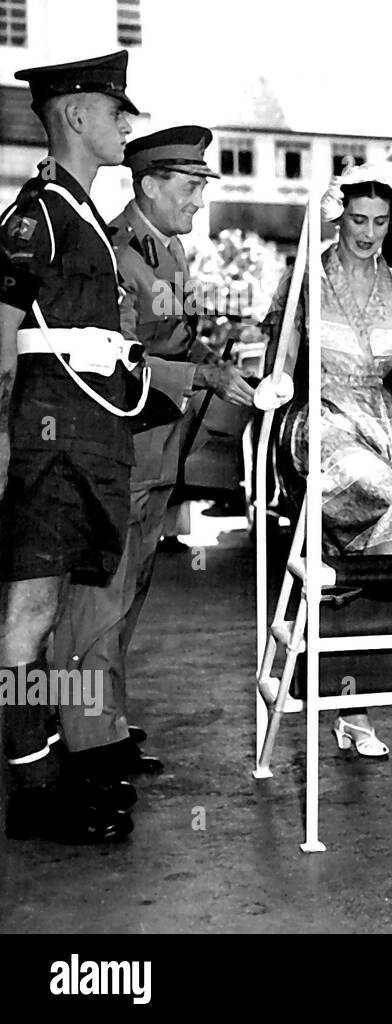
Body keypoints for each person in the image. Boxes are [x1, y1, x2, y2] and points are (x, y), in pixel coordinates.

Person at [47, 126, 255, 785]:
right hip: (121, 444)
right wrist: (202, 379)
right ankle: (86, 744)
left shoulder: (168, 249)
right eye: (190, 188)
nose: (199, 203)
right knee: (98, 593)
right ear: (149, 185)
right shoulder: (117, 253)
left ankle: (106, 719)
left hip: (159, 448)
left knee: (131, 588)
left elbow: (181, 340)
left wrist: (213, 370)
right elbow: (116, 360)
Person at [261, 163, 392, 758]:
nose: (368, 232)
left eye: (379, 221)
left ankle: (356, 699)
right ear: (338, 216)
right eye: (356, 220)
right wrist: (273, 379)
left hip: (381, 429)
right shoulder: (309, 274)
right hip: (318, 425)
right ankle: (344, 684)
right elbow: (285, 349)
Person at [0, 51, 141, 843]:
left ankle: (46, 771)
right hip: (47, 446)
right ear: (77, 118)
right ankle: (30, 789)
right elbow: (1, 334)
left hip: (81, 442)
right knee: (25, 617)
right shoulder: (39, 215)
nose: (125, 126)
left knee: (46, 614)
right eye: (115, 112)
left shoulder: (79, 213)